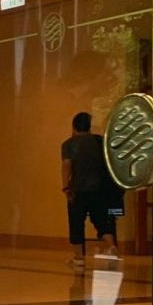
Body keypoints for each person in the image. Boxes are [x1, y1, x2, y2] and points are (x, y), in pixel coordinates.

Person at [61, 112, 119, 268]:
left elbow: (67, 166)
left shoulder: (69, 144)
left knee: (76, 222)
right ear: (89, 127)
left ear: (73, 127)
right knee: (101, 220)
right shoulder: (99, 141)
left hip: (78, 189)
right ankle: (111, 246)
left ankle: (79, 258)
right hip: (100, 189)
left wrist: (66, 187)